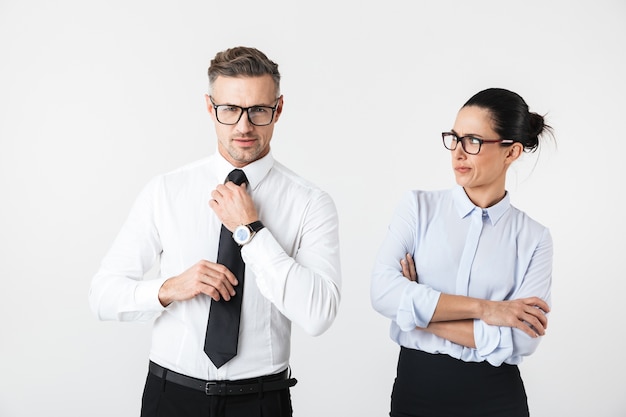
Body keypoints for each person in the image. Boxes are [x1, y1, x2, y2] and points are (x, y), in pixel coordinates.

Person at [89, 46, 341, 417]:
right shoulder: (166, 191)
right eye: (230, 110)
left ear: (279, 109)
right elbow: (102, 295)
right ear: (210, 108)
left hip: (261, 401)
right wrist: (169, 288)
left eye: (258, 110)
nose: (243, 126)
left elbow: (319, 314)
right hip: (171, 396)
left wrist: (251, 231)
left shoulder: (310, 202)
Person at [370, 87, 553, 417]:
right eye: (454, 138)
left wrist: (416, 314)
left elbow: (523, 341)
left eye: (473, 141)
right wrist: (488, 310)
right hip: (416, 391)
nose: (457, 152)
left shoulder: (534, 238)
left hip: (496, 397)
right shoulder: (418, 208)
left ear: (511, 153)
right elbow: (382, 294)